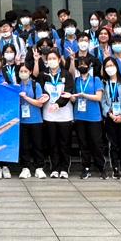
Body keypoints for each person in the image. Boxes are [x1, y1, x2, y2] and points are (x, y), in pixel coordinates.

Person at [40, 49, 74, 179]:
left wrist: (58, 104)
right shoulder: (43, 74)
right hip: (49, 114)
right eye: (49, 59)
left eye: (54, 58)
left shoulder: (66, 74)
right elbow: (42, 90)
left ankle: (64, 168)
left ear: (59, 60)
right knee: (52, 143)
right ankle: (54, 168)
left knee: (64, 143)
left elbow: (68, 92)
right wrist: (44, 97)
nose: (52, 61)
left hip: (65, 114)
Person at [72, 60, 106, 179]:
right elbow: (74, 98)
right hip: (79, 116)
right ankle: (86, 168)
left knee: (96, 143)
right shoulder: (76, 80)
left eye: (84, 64)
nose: (82, 66)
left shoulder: (96, 80)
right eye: (80, 64)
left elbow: (98, 97)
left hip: (94, 117)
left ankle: (101, 167)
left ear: (89, 66)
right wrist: (71, 97)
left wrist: (83, 95)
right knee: (83, 143)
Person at [100, 56, 121, 180]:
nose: (110, 68)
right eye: (107, 66)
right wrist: (110, 113)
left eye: (112, 65)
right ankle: (115, 168)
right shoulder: (104, 83)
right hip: (110, 117)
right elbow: (103, 101)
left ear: (116, 67)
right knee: (112, 144)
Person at [17, 64, 47, 179]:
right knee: (24, 146)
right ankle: (25, 168)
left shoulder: (36, 85)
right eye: (21, 71)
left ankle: (39, 168)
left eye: (25, 71)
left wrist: (26, 98)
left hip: (36, 120)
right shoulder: (17, 86)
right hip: (22, 121)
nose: (23, 73)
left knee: (37, 145)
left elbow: (39, 103)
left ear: (30, 72)